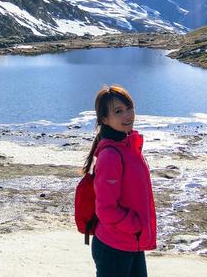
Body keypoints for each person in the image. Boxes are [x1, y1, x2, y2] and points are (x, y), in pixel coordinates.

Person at [81, 85, 157, 277]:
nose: (127, 115)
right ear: (104, 120)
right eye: (118, 111)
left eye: (129, 108)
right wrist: (136, 225)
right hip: (114, 247)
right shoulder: (111, 156)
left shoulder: (129, 146)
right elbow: (106, 209)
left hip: (131, 243)